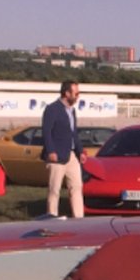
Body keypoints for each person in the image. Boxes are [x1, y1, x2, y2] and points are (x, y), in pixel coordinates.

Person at [40, 80, 84, 218]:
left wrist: (80, 151)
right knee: (54, 190)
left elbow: (73, 133)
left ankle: (79, 219)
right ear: (66, 93)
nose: (78, 96)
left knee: (76, 187)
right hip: (57, 157)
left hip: (71, 156)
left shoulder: (72, 111)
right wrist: (51, 151)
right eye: (76, 93)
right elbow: (46, 132)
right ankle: (52, 218)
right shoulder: (52, 109)